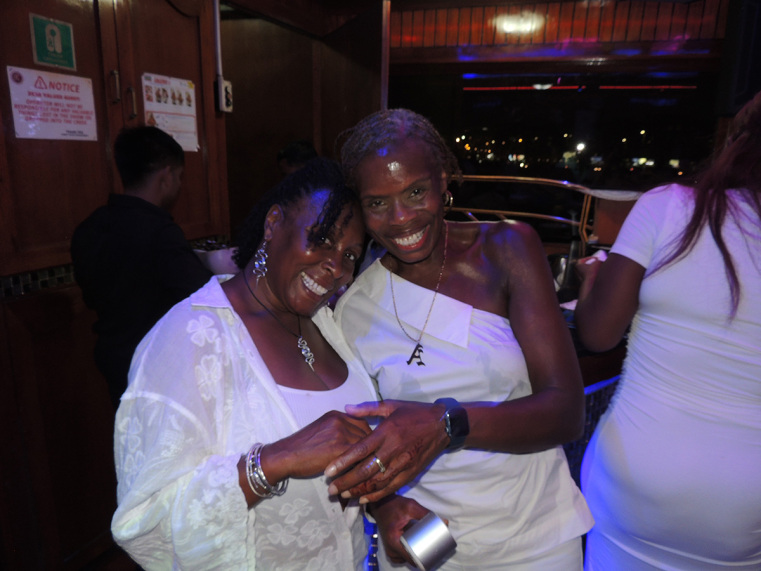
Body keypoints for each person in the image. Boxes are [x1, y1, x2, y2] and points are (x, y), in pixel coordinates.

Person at [328, 109, 593, 569]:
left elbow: (566, 412)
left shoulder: (508, 249)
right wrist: (386, 506)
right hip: (429, 544)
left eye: (416, 192)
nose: (401, 218)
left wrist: (444, 424)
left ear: (444, 181)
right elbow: (356, 442)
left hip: (535, 539)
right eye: (377, 203)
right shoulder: (353, 308)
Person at [111, 157, 377, 570]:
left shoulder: (327, 324)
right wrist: (277, 459)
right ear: (273, 223)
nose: (336, 268)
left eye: (351, 255)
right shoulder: (190, 339)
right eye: (322, 239)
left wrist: (386, 506)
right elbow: (145, 525)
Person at [573, 91, 761, 569]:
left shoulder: (670, 206)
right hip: (744, 505)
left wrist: (592, 278)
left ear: (737, 145)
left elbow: (598, 333)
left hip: (634, 477)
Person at [71, 126, 215, 408]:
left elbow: (91, 296)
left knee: (128, 428)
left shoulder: (90, 227)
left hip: (113, 357)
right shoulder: (159, 232)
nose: (179, 185)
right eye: (180, 177)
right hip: (155, 363)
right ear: (166, 175)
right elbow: (203, 296)